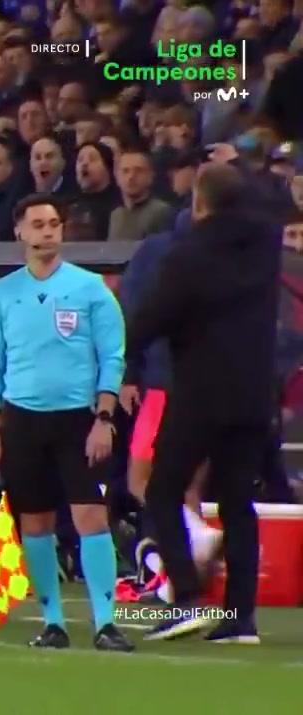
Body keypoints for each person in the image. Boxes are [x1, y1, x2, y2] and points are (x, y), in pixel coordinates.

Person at [127, 164, 277, 643]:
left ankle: (187, 599)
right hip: (254, 392)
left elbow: (154, 317)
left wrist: (121, 349)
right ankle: (240, 619)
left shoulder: (188, 254)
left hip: (201, 391)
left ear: (199, 202)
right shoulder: (265, 245)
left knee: (161, 490)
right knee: (237, 501)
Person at [0, 192, 133, 652]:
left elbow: (112, 356)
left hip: (77, 420)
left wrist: (103, 417)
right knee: (35, 522)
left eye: (53, 224)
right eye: (38, 224)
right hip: (23, 421)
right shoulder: (3, 292)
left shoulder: (90, 288)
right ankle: (53, 624)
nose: (47, 232)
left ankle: (106, 623)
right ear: (20, 232)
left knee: (91, 516)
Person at [118, 230, 222, 603]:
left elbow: (134, 313)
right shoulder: (231, 249)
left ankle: (195, 537)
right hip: (214, 382)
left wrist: (129, 372)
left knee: (142, 479)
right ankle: (181, 584)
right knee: (188, 486)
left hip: (166, 380)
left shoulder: (159, 251)